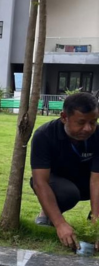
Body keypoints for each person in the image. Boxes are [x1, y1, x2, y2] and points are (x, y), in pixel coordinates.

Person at [30, 92, 99, 250]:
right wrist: (60, 224)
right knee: (68, 193)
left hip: (85, 181)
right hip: (56, 182)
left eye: (93, 122)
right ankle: (46, 214)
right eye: (81, 122)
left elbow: (97, 180)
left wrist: (97, 224)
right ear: (64, 117)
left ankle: (91, 229)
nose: (88, 128)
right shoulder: (44, 135)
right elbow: (40, 182)